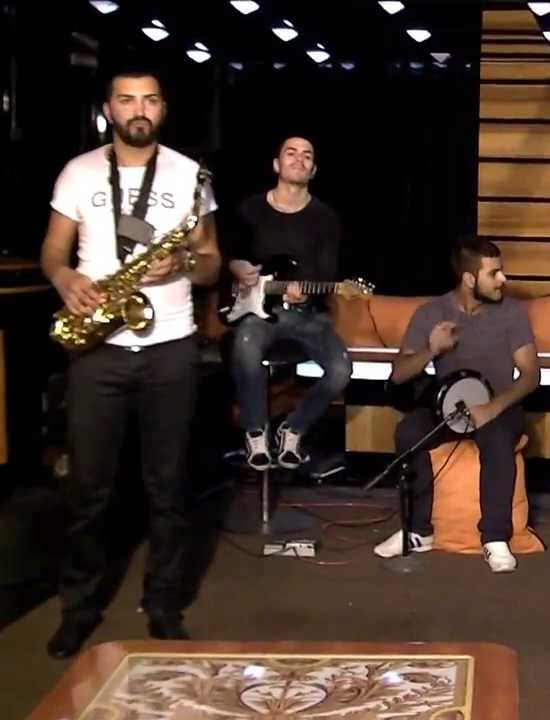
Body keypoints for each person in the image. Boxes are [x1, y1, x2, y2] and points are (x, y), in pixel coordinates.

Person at [39, 67, 221, 658]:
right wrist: (65, 279)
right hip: (98, 349)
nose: (138, 109)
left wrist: (185, 265)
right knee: (88, 489)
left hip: (170, 345)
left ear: (162, 109)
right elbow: (53, 252)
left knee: (168, 487)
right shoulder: (79, 172)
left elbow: (212, 262)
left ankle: (163, 605)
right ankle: (77, 609)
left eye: (149, 99)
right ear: (109, 109)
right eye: (126, 100)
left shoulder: (190, 175)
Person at [375, 238, 539, 573]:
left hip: (498, 406)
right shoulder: (431, 313)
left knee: (497, 440)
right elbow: (400, 373)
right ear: (469, 278)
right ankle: (419, 531)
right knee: (408, 432)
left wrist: (492, 409)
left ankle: (495, 538)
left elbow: (531, 375)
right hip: (449, 408)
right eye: (494, 273)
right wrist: (433, 350)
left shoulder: (512, 313)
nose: (503, 279)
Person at [226, 136, 351, 470]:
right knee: (246, 345)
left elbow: (327, 273)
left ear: (313, 170)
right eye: (291, 153)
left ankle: (293, 430)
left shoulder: (325, 217)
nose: (299, 159)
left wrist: (305, 292)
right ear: (276, 164)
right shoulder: (250, 210)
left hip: (309, 314)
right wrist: (235, 266)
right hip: (257, 311)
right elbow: (227, 255)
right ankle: (255, 432)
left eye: (307, 156)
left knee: (341, 370)